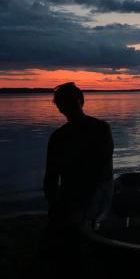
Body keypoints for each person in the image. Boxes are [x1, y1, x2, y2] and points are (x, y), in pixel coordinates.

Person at [43, 82, 114, 230]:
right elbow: (51, 175)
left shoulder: (100, 128)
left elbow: (103, 167)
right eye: (63, 102)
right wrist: (53, 203)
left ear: (81, 101)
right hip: (72, 194)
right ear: (59, 107)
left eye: (70, 100)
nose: (67, 105)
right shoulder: (58, 136)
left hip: (95, 192)